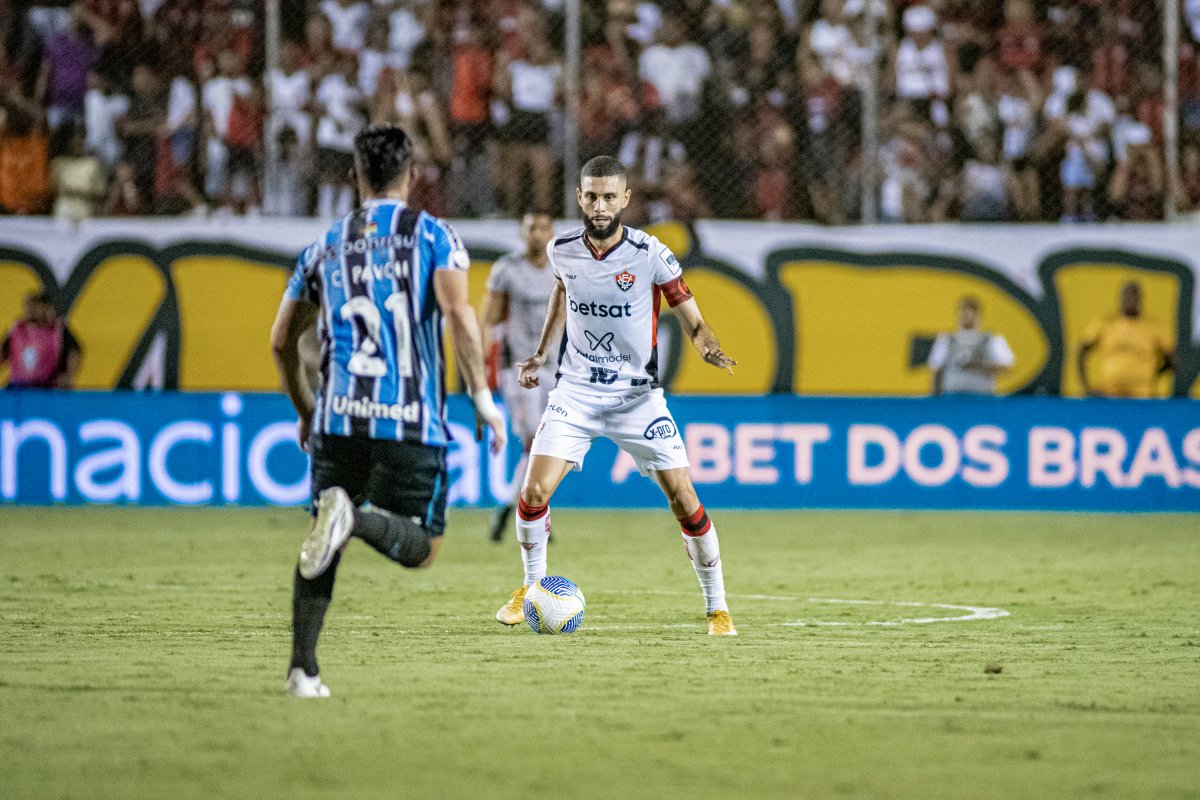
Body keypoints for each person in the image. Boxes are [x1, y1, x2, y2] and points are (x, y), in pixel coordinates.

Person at [270, 124, 506, 698]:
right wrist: (480, 397)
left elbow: (281, 341)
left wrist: (306, 409)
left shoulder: (323, 245)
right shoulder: (434, 237)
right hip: (409, 417)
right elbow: (458, 317)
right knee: (423, 546)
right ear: (413, 175)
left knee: (319, 539)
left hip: (334, 418)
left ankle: (304, 670)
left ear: (354, 176)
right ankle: (351, 518)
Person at [493, 156, 738, 636]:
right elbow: (561, 294)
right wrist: (542, 353)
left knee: (684, 498)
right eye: (591, 196)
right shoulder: (563, 251)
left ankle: (718, 608)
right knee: (533, 491)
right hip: (576, 392)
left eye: (609, 196)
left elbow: (692, 317)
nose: (600, 205)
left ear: (626, 199)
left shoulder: (651, 254)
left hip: (637, 398)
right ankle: (531, 588)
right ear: (580, 198)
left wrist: (709, 345)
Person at [479, 210, 557, 541]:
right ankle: (529, 512)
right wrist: (481, 369)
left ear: (551, 231)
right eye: (530, 229)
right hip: (519, 371)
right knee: (533, 444)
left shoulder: (563, 267)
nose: (536, 234)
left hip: (557, 369)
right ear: (522, 234)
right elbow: (489, 320)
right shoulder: (507, 270)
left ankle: (517, 509)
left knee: (546, 445)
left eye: (542, 227)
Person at [1077, 281, 1175, 399]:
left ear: (1140, 299)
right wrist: (1086, 386)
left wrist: (1153, 374)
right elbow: (1082, 350)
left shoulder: (1153, 327)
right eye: (1126, 295)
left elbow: (1172, 359)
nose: (1130, 300)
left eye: (1134, 295)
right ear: (1120, 298)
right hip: (1110, 393)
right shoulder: (1106, 323)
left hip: (1142, 395)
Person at [928, 296, 1015, 395]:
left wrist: (981, 364)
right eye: (963, 312)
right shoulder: (945, 339)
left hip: (981, 399)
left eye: (971, 312)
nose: (967, 316)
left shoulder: (992, 340)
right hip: (952, 399)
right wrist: (934, 399)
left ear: (978, 315)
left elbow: (1007, 367)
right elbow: (935, 371)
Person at [2, 292, 82, 389]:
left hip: (47, 388)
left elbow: (74, 353)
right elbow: (2, 354)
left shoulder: (58, 330)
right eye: (27, 306)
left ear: (45, 308)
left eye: (34, 306)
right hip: (18, 387)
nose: (29, 309)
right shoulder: (16, 330)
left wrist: (68, 376)